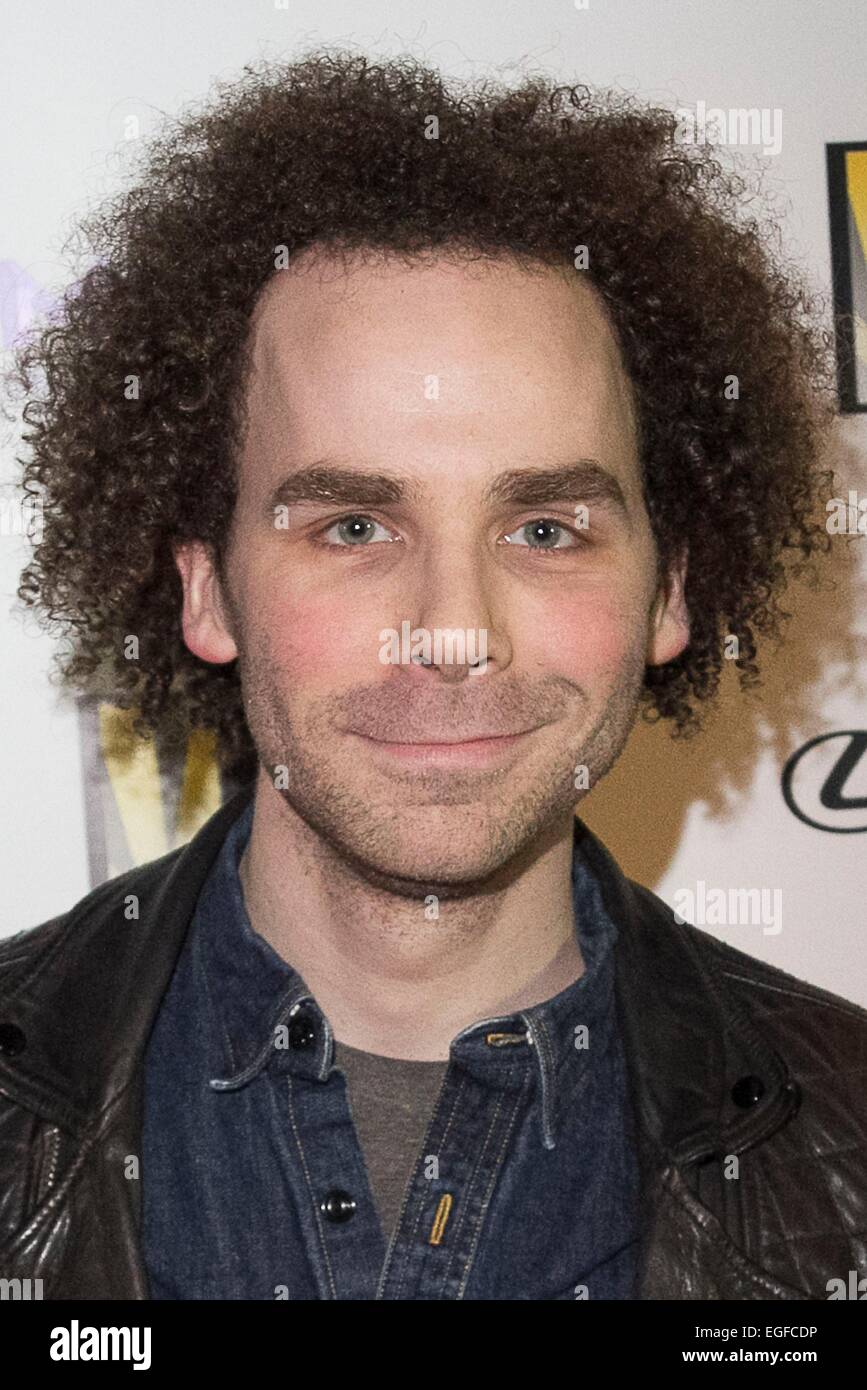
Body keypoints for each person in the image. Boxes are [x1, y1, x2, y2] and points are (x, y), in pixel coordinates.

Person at [1, 51, 864, 1301]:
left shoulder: (846, 1147)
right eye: (354, 528)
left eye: (545, 529)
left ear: (671, 590)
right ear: (206, 590)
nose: (454, 633)